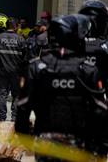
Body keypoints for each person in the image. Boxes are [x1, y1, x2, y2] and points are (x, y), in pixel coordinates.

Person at [15, 14, 108, 159]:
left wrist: (26, 140)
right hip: (78, 146)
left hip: (45, 145)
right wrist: (100, 147)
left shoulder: (37, 67)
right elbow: (100, 111)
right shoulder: (88, 70)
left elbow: (23, 107)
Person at [0, 17, 26, 122]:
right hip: (16, 71)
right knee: (16, 94)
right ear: (15, 26)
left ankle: (2, 117)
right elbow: (25, 56)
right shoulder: (21, 39)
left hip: (2, 70)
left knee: (2, 94)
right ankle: (14, 116)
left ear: (6, 26)